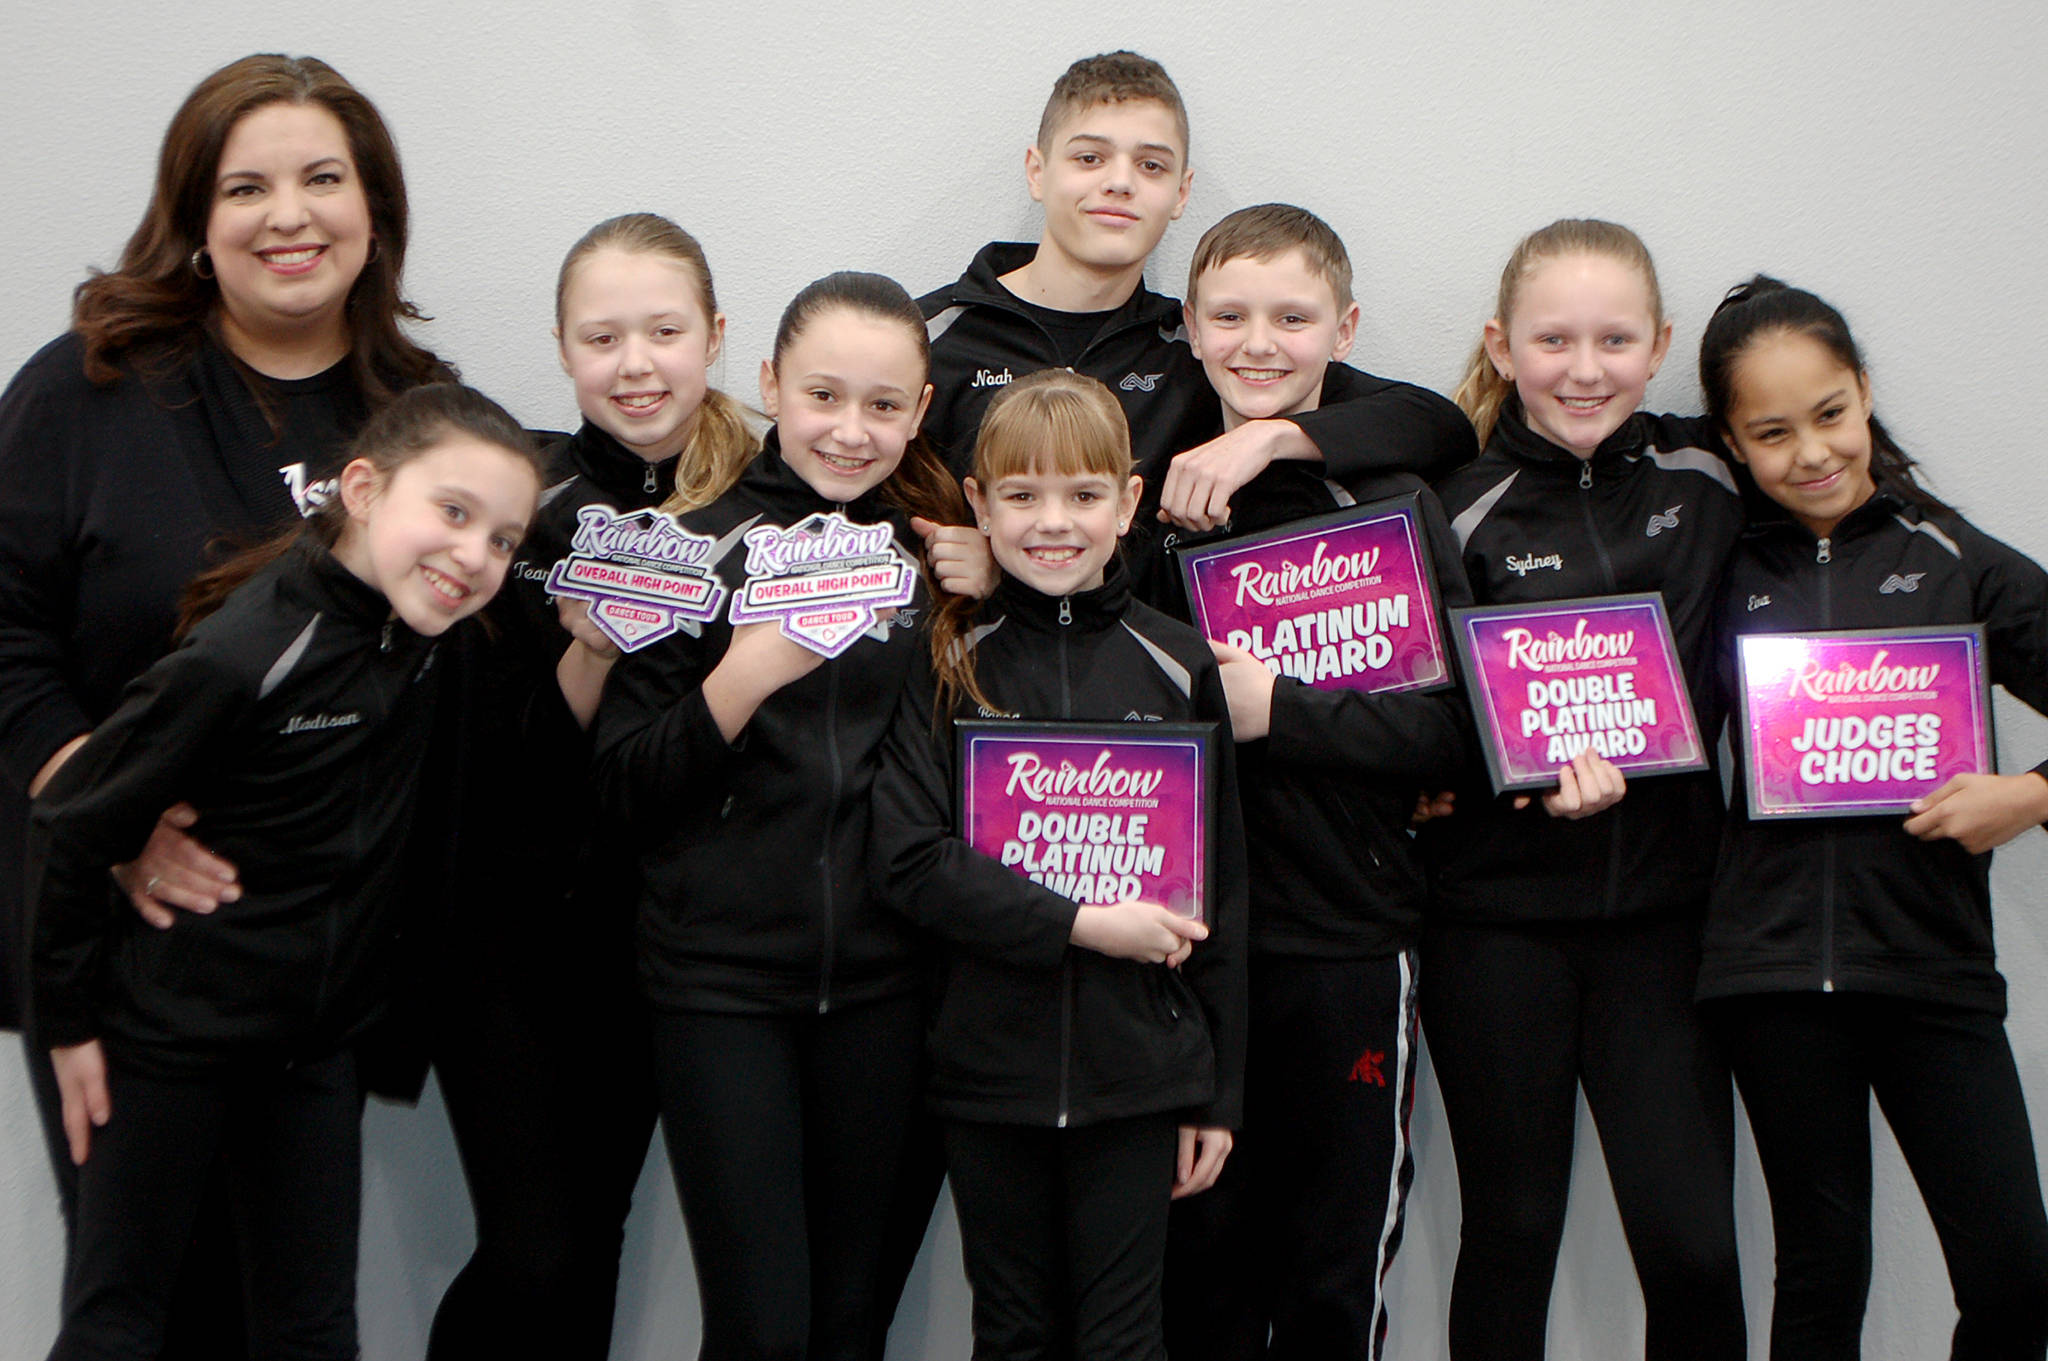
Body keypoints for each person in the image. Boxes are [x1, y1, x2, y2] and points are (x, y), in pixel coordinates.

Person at [0, 51, 449, 1355]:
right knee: (148, 1309)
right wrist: (112, 808)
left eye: (323, 178)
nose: (288, 214)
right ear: (197, 221)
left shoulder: (417, 419)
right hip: (116, 929)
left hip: (308, 968)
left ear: (375, 213)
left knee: (295, 1316)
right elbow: (6, 634)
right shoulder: (86, 388)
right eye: (246, 186)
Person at [30, 382, 545, 1361]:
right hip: (166, 1046)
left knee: (312, 1329)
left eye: (502, 539)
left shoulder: (423, 641)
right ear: (360, 487)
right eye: (452, 512)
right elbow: (69, 820)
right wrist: (66, 1027)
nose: (473, 555)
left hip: (309, 1052)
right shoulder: (246, 650)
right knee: (122, 1322)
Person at [590, 271, 966, 1361]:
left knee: (851, 1326)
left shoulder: (932, 560)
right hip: (720, 990)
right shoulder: (685, 551)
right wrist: (741, 676)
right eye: (822, 396)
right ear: (766, 384)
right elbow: (617, 788)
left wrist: (979, 583)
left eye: (884, 404)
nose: (851, 431)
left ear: (921, 410)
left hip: (891, 996)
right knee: (760, 1330)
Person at [1696, 276, 2048, 1359]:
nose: (1809, 450)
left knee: (2016, 1278)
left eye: (1829, 413)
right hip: (1766, 976)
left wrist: (2027, 797)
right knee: (1818, 1273)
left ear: (1861, 397)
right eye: (1770, 430)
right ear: (1728, 439)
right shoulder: (1714, 560)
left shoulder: (1954, 557)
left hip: (1929, 969)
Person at [426, 213, 757, 1360]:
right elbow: (502, 762)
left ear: (713, 336)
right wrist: (589, 647)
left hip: (672, 935)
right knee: (535, 1248)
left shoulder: (766, 497)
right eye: (602, 335)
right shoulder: (513, 501)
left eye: (663, 330)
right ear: (563, 348)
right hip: (518, 938)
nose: (635, 362)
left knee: (593, 1237)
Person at [870, 368, 1246, 1361]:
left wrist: (1217, 1090)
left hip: (1139, 1072)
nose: (1053, 523)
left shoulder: (1177, 660)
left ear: (1127, 502)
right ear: (979, 507)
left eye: (1082, 495)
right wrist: (1081, 924)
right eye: (1021, 496)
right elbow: (909, 859)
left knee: (1125, 1337)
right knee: (1015, 1330)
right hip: (986, 1067)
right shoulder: (948, 658)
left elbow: (1227, 891)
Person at [1152, 204, 1475, 1361]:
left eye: (1291, 317)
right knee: (1200, 1283)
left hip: (1349, 941)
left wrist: (1275, 712)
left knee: (1332, 1280)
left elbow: (1457, 737)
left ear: (1341, 328)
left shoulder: (1392, 498)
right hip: (1189, 953)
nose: (1257, 342)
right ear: (1185, 327)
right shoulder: (1149, 512)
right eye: (1229, 315)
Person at [1420, 219, 1747, 1360]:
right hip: (1494, 925)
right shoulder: (1451, 500)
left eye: (1614, 338)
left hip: (1665, 920)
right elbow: (1421, 712)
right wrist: (1518, 787)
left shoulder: (1709, 475)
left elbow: (1833, 482)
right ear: (1500, 346)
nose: (1583, 366)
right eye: (1551, 338)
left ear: (1657, 344)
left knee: (1695, 1249)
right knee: (1511, 1231)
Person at [915, 51, 1471, 540]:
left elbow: (1436, 425)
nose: (1120, 182)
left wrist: (1267, 439)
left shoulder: (1200, 347)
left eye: (1151, 165)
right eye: (1090, 158)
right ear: (1037, 172)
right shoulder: (934, 339)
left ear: (1181, 193)